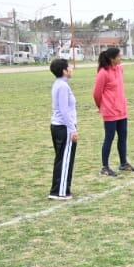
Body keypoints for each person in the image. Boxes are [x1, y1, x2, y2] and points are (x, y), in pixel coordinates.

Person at [93, 47, 134, 176]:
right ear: (112, 59)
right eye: (119, 56)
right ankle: (105, 167)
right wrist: (100, 107)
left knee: (123, 137)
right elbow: (97, 94)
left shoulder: (119, 69)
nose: (121, 58)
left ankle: (123, 163)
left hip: (121, 110)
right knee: (109, 138)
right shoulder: (103, 73)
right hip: (110, 111)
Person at [49, 57, 79, 200]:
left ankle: (61, 188)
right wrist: (72, 129)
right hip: (63, 127)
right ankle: (60, 192)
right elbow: (64, 110)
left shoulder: (60, 84)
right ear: (64, 71)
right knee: (65, 159)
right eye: (69, 67)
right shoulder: (62, 86)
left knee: (62, 158)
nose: (71, 69)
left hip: (60, 126)